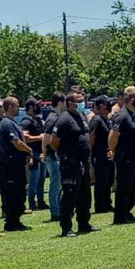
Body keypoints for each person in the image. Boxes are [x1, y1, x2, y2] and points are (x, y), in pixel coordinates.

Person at [50, 91, 97, 237]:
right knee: (70, 196)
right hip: (71, 163)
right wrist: (65, 155)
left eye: (83, 100)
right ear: (70, 103)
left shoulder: (81, 116)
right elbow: (53, 141)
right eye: (79, 101)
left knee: (85, 195)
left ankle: (84, 223)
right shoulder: (64, 119)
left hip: (84, 162)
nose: (83, 103)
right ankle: (66, 227)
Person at [0, 96, 33, 232]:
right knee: (13, 193)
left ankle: (16, 221)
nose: (19, 108)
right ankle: (11, 223)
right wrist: (29, 150)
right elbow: (16, 142)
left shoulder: (12, 122)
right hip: (11, 165)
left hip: (17, 164)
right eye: (17, 105)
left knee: (20, 192)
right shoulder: (6, 123)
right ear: (10, 107)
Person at [109, 86, 135, 224]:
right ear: (132, 99)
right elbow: (113, 136)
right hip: (125, 157)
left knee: (133, 184)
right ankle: (120, 216)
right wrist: (114, 150)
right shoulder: (122, 115)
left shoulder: (132, 114)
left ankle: (127, 211)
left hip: (134, 156)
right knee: (124, 186)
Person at [20, 98, 47, 211]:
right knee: (34, 181)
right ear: (31, 107)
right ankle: (32, 203)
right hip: (33, 154)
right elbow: (24, 137)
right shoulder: (26, 121)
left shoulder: (38, 120)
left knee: (42, 179)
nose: (39, 107)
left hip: (41, 154)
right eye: (37, 105)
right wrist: (39, 138)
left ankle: (41, 201)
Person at [89, 96, 114, 213]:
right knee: (101, 180)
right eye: (107, 103)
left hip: (108, 154)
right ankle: (100, 205)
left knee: (108, 179)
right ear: (101, 106)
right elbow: (91, 136)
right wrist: (90, 152)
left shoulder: (106, 119)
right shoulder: (96, 119)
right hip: (99, 154)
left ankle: (107, 203)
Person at [43, 92, 65, 222]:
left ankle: (59, 208)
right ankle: (55, 211)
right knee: (55, 185)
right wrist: (45, 154)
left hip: (57, 156)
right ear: (60, 103)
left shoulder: (57, 116)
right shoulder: (52, 118)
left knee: (59, 185)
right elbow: (46, 138)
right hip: (52, 156)